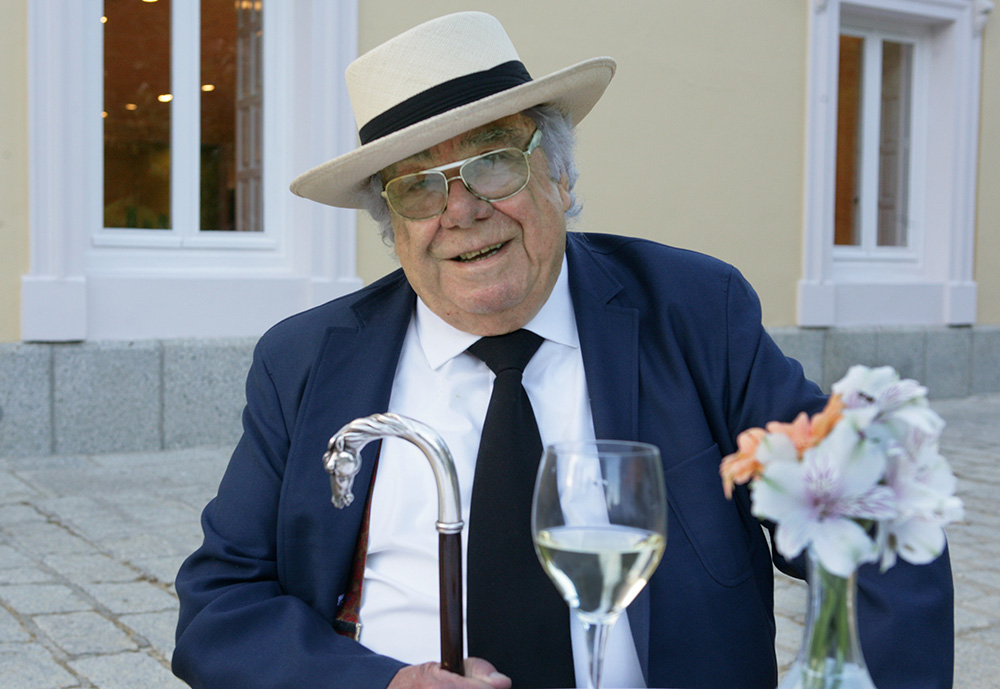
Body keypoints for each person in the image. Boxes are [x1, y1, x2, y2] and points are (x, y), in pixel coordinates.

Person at [172, 11, 954, 689]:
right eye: (419, 186)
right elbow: (220, 603)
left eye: (491, 162)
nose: (462, 210)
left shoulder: (693, 311)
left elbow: (874, 513)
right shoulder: (305, 360)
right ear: (393, 223)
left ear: (558, 173)